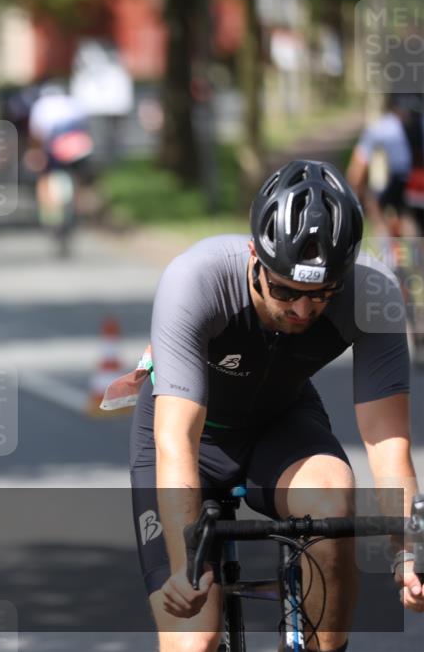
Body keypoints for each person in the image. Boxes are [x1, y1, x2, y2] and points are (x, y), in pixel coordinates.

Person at [129, 159, 423, 652]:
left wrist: (406, 551)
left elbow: (387, 447)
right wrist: (185, 566)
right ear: (254, 258)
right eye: (286, 291)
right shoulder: (196, 280)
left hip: (279, 428)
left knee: (333, 498)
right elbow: (177, 438)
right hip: (190, 444)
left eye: (323, 295)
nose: (303, 310)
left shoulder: (374, 295)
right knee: (194, 636)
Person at [346, 93, 424, 237]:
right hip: (413, 181)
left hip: (402, 180)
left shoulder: (383, 126)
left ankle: (388, 242)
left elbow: (357, 169)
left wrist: (357, 195)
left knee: (379, 208)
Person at [25, 83, 93, 212]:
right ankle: (76, 206)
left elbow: (37, 133)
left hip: (55, 147)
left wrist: (36, 152)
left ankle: (48, 209)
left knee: (45, 175)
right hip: (78, 146)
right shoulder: (74, 103)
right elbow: (84, 126)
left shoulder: (41, 105)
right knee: (77, 176)